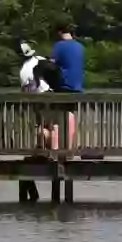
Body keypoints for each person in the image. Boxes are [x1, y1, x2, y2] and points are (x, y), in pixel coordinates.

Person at [49, 24, 85, 153]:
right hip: (77, 86)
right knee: (70, 116)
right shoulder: (80, 46)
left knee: (57, 119)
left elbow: (51, 65)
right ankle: (69, 147)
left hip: (63, 85)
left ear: (59, 32)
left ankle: (56, 148)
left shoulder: (59, 46)